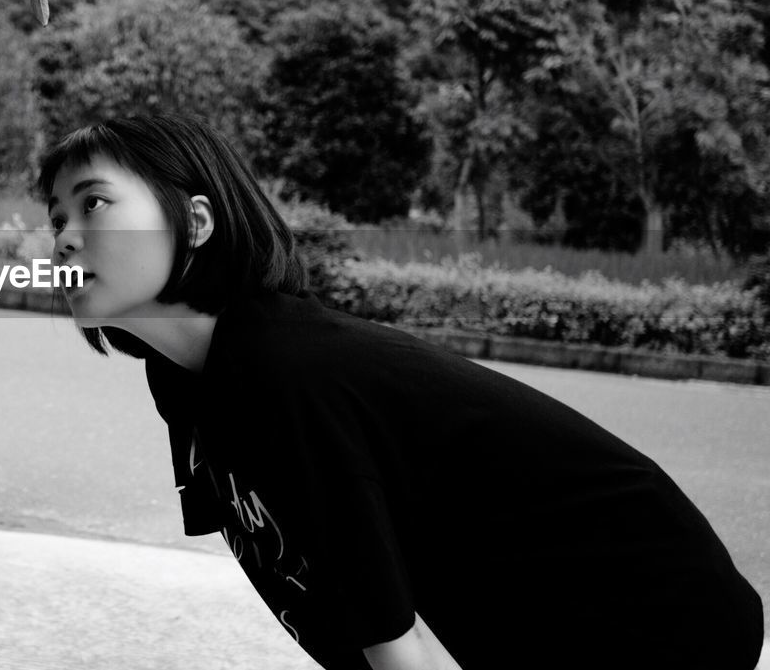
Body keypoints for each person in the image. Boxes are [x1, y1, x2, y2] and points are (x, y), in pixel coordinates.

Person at [38, 114, 765, 670]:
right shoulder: (180, 377)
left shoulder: (283, 372)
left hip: (659, 618)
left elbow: (393, 634)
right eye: (57, 217)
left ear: (196, 222)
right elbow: (298, 570)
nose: (65, 238)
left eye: (94, 204)